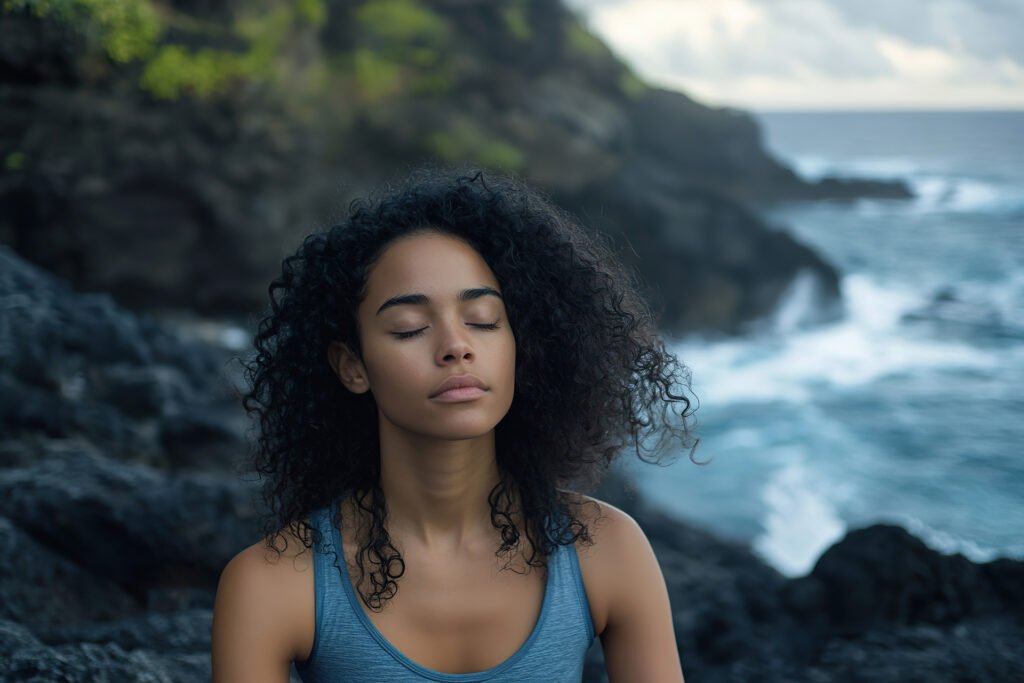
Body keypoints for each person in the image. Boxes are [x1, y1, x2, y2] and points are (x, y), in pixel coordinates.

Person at [211, 168, 697, 682]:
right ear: (352, 366)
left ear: (520, 342)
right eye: (409, 328)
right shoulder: (271, 584)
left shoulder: (610, 550)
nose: (455, 345)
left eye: (483, 320)